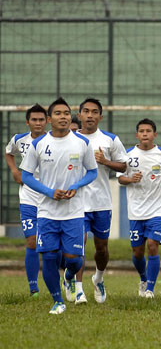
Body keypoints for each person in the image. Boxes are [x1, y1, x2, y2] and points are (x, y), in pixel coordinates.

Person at [20, 97, 98, 314]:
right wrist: (49, 192)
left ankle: (70, 276)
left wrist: (76, 185)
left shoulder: (82, 143)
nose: (63, 117)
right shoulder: (38, 144)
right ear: (49, 119)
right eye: (58, 113)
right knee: (49, 257)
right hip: (46, 211)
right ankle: (58, 301)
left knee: (74, 260)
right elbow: (26, 176)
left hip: (74, 212)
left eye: (66, 113)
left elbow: (92, 172)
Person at [70, 98, 127, 304]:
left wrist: (105, 161)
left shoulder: (110, 139)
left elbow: (123, 167)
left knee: (101, 248)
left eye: (95, 112)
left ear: (100, 116)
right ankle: (78, 289)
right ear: (80, 114)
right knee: (80, 245)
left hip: (102, 202)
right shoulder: (70, 139)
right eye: (86, 111)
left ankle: (99, 278)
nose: (90, 115)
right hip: (77, 203)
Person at [118, 119, 161, 298]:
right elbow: (120, 178)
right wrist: (130, 179)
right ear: (137, 135)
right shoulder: (128, 155)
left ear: (155, 135)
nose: (145, 134)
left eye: (148, 131)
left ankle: (150, 289)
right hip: (136, 210)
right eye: (141, 131)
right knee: (137, 252)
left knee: (152, 246)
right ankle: (143, 278)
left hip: (157, 209)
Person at [4, 104, 48, 297]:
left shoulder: (53, 141)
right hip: (28, 198)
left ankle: (66, 278)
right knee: (31, 241)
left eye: (41, 119)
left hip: (51, 198)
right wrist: (15, 171)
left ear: (47, 121)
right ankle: (34, 289)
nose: (38, 123)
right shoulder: (19, 140)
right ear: (27, 121)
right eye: (34, 120)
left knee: (51, 245)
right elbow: (8, 152)